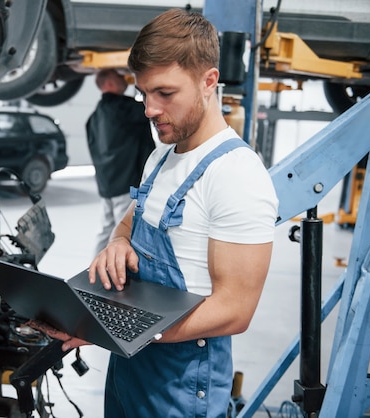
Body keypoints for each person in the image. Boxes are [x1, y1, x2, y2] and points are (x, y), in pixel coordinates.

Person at [29, 8, 279, 417]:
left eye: (164, 93)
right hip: (131, 370)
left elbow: (235, 309)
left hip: (182, 387)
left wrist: (112, 327)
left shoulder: (236, 175)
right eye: (143, 93)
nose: (149, 108)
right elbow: (136, 211)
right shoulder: (163, 155)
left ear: (208, 82)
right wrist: (118, 239)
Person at [86, 68, 155, 255]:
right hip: (125, 183)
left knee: (106, 229)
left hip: (106, 184)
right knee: (125, 233)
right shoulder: (123, 108)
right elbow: (151, 109)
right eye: (119, 77)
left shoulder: (94, 117)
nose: (125, 79)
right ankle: (120, 275)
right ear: (109, 83)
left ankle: (92, 271)